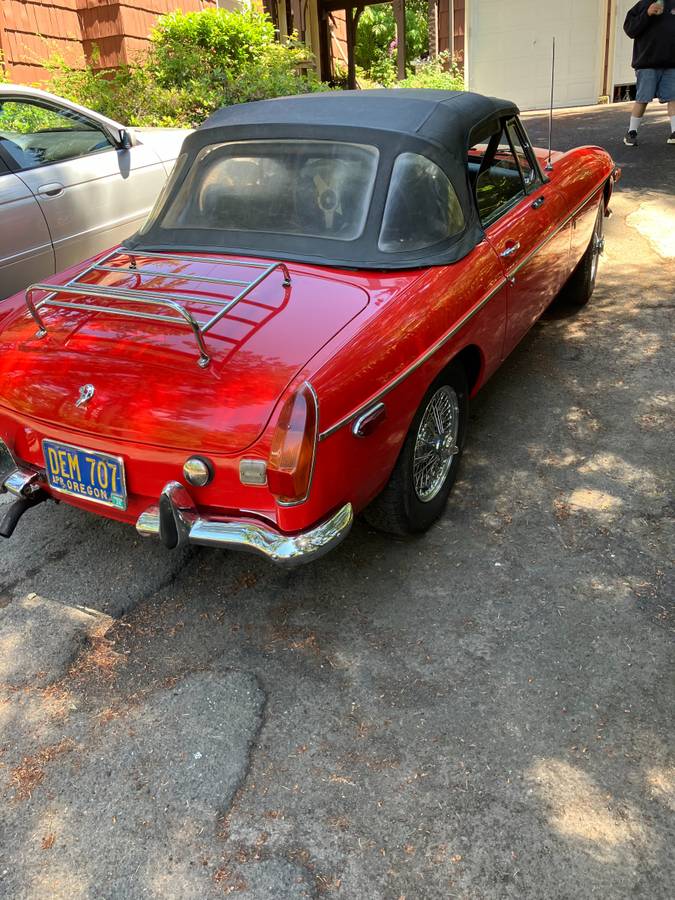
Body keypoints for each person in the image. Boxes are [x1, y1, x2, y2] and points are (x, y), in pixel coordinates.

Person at [623, 0, 675, 146]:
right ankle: (631, 132)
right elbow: (630, 30)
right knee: (643, 98)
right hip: (647, 62)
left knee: (673, 97)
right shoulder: (642, 5)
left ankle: (674, 133)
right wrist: (647, 14)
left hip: (671, 63)